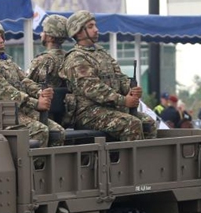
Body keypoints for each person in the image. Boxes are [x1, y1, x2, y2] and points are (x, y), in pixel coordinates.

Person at [0, 20, 64, 146]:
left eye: (1, 36)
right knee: (39, 131)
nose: (1, 40)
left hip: (12, 112)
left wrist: (40, 92)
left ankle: (48, 165)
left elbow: (24, 80)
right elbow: (2, 90)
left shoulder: (6, 61)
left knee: (58, 132)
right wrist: (35, 103)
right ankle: (31, 165)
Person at [59, 10, 156, 141]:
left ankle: (146, 159)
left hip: (111, 109)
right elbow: (93, 89)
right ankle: (127, 161)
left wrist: (131, 90)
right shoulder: (76, 58)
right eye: (90, 26)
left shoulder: (102, 53)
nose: (96, 30)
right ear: (78, 31)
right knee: (131, 124)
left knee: (149, 122)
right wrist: (124, 100)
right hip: (88, 113)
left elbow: (119, 77)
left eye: (95, 25)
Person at [27, 14, 69, 88]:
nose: (41, 34)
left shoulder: (43, 59)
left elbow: (27, 83)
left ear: (50, 38)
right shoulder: (69, 57)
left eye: (43, 31)